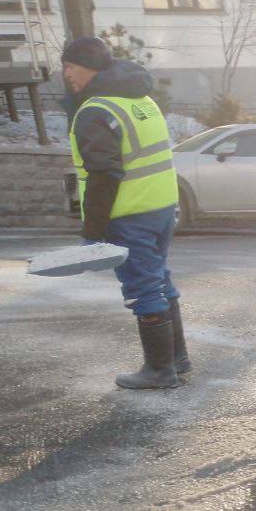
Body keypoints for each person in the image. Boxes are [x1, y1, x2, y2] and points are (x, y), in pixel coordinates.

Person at [65, 36, 190, 389]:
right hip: (161, 207)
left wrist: (92, 231)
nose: (67, 76)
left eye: (70, 67)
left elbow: (104, 175)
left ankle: (159, 370)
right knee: (160, 281)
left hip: (130, 212)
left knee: (143, 287)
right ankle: (177, 361)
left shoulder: (95, 110)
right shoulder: (140, 100)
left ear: (86, 68)